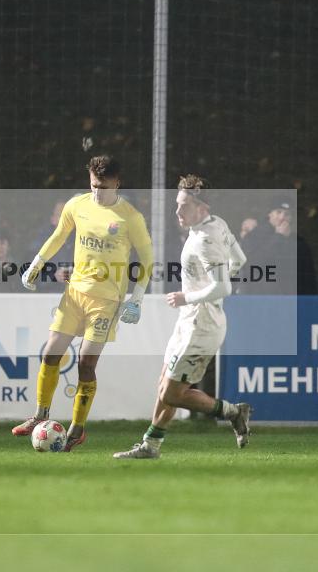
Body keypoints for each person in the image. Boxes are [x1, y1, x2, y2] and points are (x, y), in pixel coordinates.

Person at [12, 155, 153, 452]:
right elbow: (58, 236)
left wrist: (137, 299)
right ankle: (40, 415)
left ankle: (77, 429)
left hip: (106, 301)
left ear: (117, 183)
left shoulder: (130, 218)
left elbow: (148, 259)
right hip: (75, 294)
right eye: (93, 185)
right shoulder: (77, 205)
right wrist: (36, 265)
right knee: (51, 353)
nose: (97, 192)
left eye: (103, 187)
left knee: (85, 363)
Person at [113, 175, 251, 460]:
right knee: (164, 386)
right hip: (190, 321)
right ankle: (150, 446)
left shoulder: (205, 239)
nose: (177, 211)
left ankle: (233, 412)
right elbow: (240, 260)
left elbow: (223, 287)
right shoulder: (216, 224)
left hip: (201, 326)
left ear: (201, 208)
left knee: (172, 394)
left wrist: (187, 297)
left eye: (184, 205)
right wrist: (212, 284)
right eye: (177, 204)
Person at [239, 203, 317, 295]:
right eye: (278, 212)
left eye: (287, 214)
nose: (282, 218)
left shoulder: (298, 242)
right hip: (261, 296)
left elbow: (307, 274)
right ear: (270, 214)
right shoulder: (254, 236)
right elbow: (254, 264)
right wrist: (278, 237)